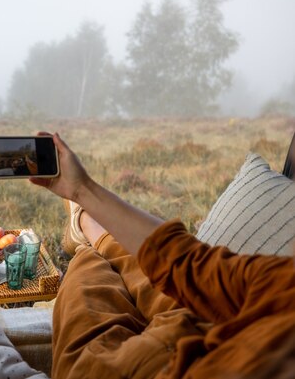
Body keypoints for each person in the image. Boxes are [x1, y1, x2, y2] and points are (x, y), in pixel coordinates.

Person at [28, 132, 295, 379]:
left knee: (86, 352)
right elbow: (190, 264)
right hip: (217, 315)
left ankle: (88, 238)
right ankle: (89, 225)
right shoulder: (285, 280)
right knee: (166, 277)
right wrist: (81, 189)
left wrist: (82, 192)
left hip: (180, 361)